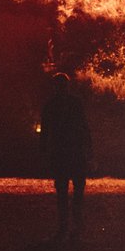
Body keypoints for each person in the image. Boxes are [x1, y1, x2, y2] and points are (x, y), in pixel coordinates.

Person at [40, 73, 93, 240]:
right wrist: (89, 150)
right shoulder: (74, 103)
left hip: (62, 152)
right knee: (76, 191)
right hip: (73, 152)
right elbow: (84, 127)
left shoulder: (51, 105)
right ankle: (75, 226)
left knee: (63, 192)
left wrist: (43, 153)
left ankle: (66, 227)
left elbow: (45, 132)